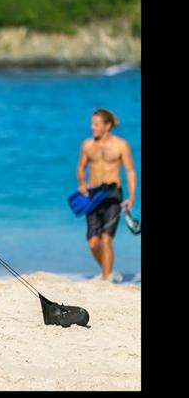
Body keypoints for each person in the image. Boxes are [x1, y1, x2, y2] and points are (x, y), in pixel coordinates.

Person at [76, 108, 137, 281]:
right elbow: (81, 167)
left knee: (106, 239)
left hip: (113, 194)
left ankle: (106, 280)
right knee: (93, 242)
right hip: (93, 195)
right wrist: (81, 184)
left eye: (96, 124)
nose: (92, 127)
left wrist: (131, 197)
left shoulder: (121, 145)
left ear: (107, 126)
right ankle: (108, 272)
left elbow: (130, 171)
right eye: (92, 124)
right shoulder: (87, 145)